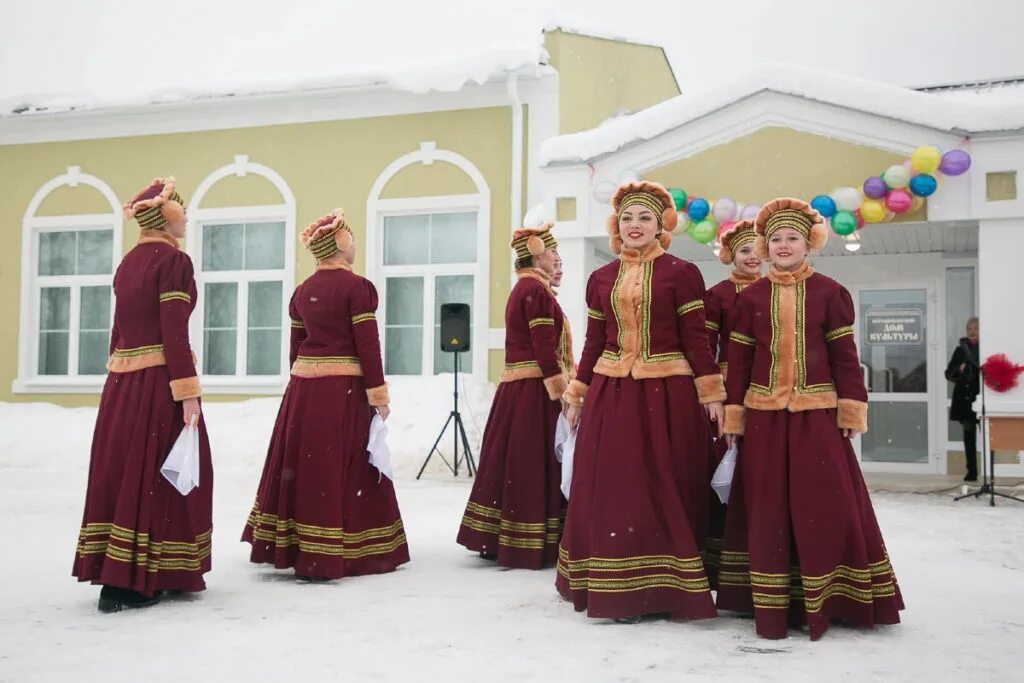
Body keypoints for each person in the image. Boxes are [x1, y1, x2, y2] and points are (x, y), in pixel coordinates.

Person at [717, 197, 904, 640]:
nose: (783, 246)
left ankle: (835, 596)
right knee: (766, 507)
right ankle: (768, 601)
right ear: (764, 246)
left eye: (792, 238)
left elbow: (845, 358)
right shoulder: (752, 298)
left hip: (816, 416)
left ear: (809, 244)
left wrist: (851, 406)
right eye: (776, 239)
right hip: (763, 417)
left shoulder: (829, 292)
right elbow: (739, 363)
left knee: (823, 501)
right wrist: (734, 415)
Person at [558, 181, 725, 622]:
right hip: (612, 397)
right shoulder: (601, 279)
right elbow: (594, 343)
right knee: (619, 486)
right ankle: (619, 587)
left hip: (668, 396)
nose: (635, 226)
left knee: (666, 484)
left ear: (660, 226)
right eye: (628, 218)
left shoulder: (682, 273)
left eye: (644, 218)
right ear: (618, 226)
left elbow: (697, 340)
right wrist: (577, 392)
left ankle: (667, 586)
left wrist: (711, 393)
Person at [243, 209, 409, 581]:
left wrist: (301, 385)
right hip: (344, 391)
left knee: (306, 466)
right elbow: (368, 345)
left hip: (304, 392)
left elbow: (295, 349)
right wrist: (378, 392)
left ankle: (299, 544)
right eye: (349, 235)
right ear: (340, 243)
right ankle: (351, 549)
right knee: (344, 466)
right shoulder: (357, 288)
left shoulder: (302, 292)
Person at [72, 177, 213, 613]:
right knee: (165, 475)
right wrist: (187, 392)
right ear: (166, 218)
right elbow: (174, 331)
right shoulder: (174, 262)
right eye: (181, 210)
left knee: (125, 472)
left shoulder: (128, 263)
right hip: (158, 384)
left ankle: (118, 572)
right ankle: (144, 577)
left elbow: (117, 335)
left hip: (123, 385)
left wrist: (119, 379)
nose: (186, 216)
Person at [456, 223, 571, 569]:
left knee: (513, 461)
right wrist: (560, 391)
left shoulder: (528, 289)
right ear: (537, 253)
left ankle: (497, 535)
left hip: (520, 388)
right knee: (530, 463)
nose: (557, 260)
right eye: (553, 253)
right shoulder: (534, 292)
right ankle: (527, 540)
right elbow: (544, 347)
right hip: (533, 390)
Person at [702, 219, 762, 587]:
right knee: (726, 462)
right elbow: (706, 349)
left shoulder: (776, 289)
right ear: (730, 256)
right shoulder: (718, 295)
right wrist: (713, 394)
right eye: (744, 250)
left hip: (766, 386)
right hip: (728, 388)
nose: (752, 257)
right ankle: (723, 558)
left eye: (757, 249)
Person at [946, 317, 981, 481]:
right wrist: (959, 370)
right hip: (966, 400)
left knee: (989, 436)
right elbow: (949, 373)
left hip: (982, 397)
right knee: (969, 437)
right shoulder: (961, 350)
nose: (972, 332)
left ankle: (989, 473)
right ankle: (972, 472)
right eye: (969, 329)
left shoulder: (986, 347)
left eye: (976, 328)